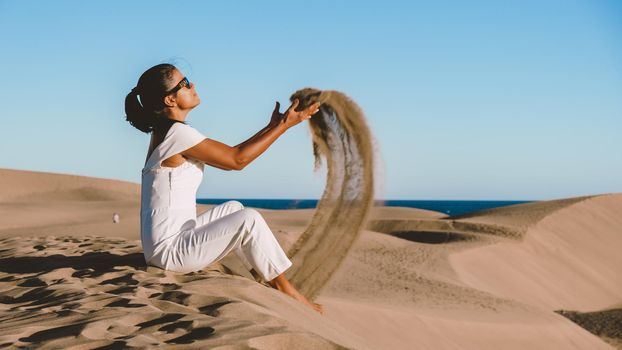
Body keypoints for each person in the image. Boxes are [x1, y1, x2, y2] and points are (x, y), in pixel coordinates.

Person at [124, 63, 322, 314]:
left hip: (170, 244)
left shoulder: (167, 132)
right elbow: (236, 160)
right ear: (170, 99)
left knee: (234, 209)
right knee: (248, 219)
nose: (192, 85)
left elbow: (232, 154)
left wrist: (273, 126)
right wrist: (283, 125)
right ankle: (286, 290)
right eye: (184, 83)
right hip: (170, 253)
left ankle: (265, 277)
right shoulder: (177, 135)